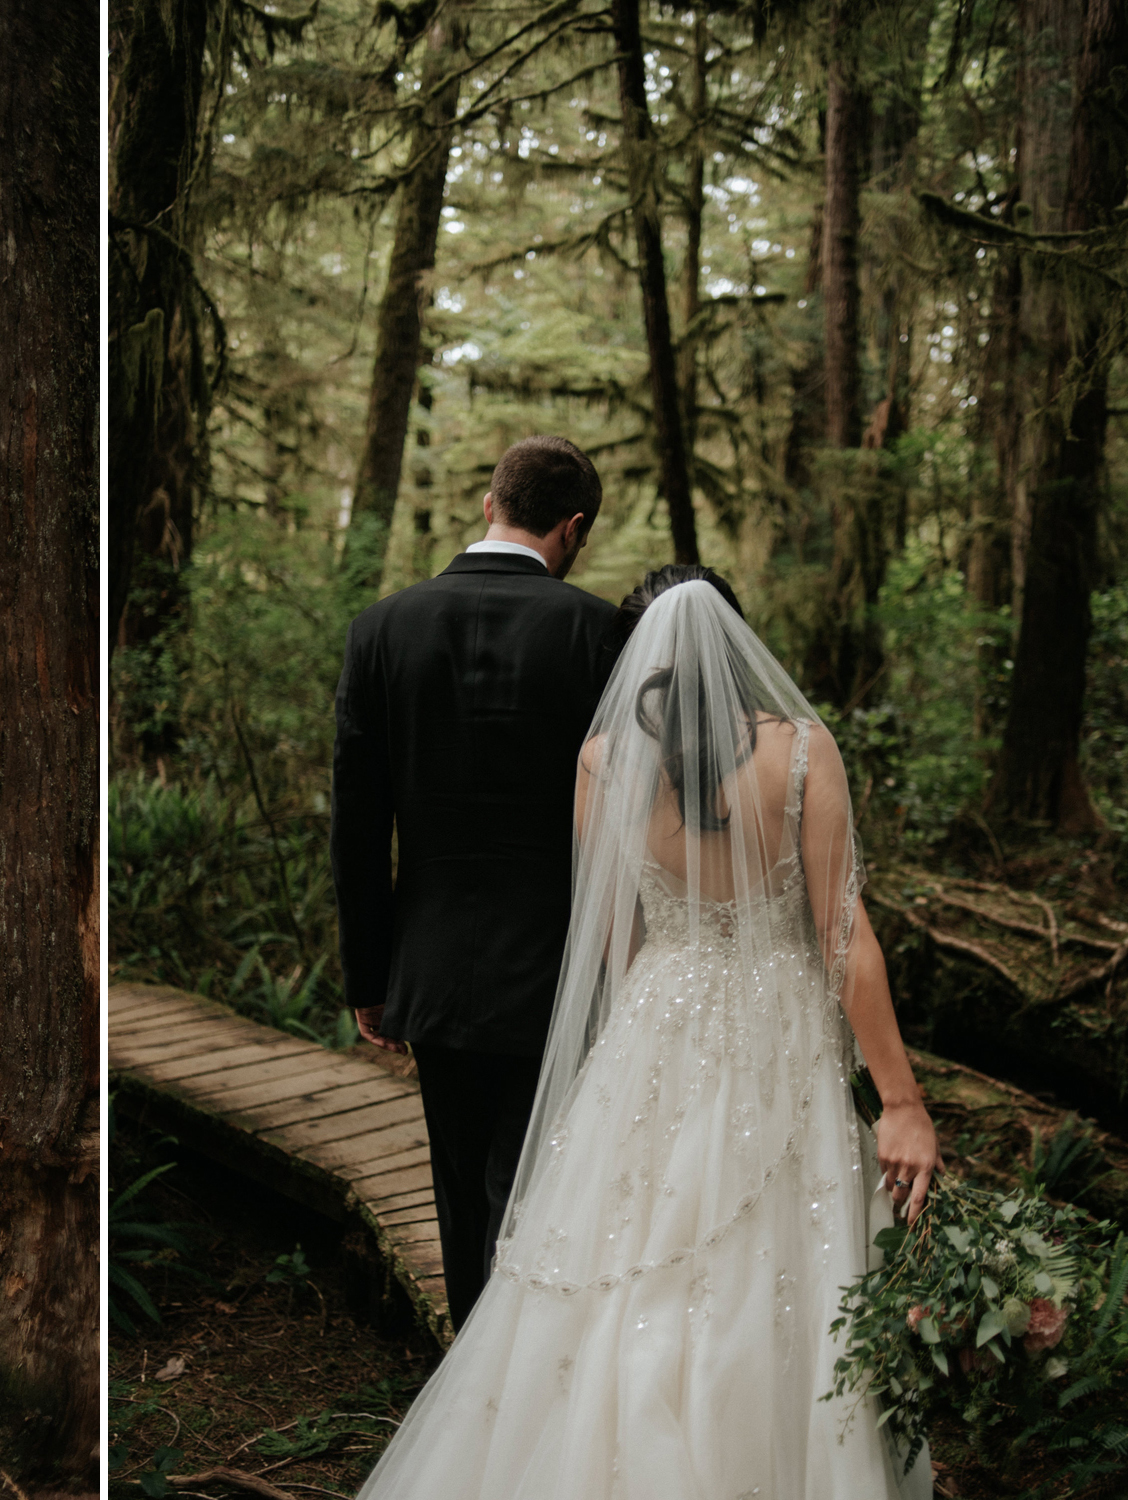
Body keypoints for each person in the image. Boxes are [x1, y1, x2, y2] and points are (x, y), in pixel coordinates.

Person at [354, 567, 942, 1499]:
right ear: (740, 649)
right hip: (776, 1028)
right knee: (775, 1257)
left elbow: (616, 932)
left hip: (656, 1023)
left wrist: (642, 1042)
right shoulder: (802, 751)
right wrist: (900, 1101)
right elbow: (842, 938)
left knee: (632, 1258)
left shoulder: (601, 763)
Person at [332, 434, 614, 1331]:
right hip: (561, 965)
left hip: (434, 963)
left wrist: (369, 977)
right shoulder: (598, 631)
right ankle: (524, 1383)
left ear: (491, 503)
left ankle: (471, 1389)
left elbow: (357, 826)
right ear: (572, 527)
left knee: (460, 1189)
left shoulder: (382, 627)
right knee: (534, 1181)